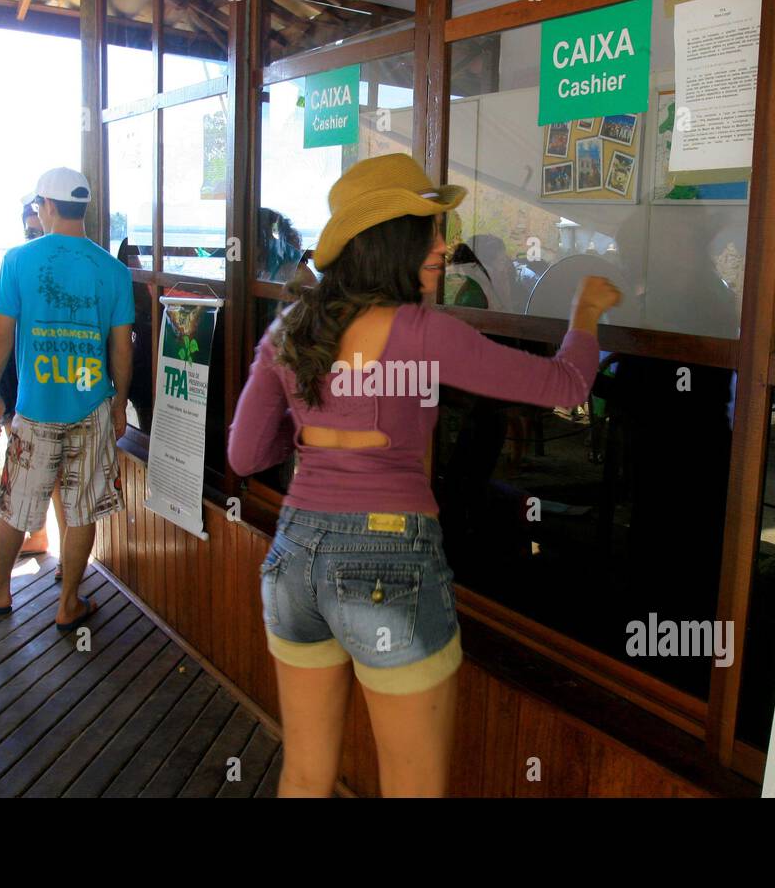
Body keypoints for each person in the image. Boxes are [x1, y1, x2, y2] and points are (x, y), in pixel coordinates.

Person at [227, 154, 619, 797]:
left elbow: (245, 456)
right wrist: (585, 314)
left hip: (294, 559)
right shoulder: (420, 331)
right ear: (390, 242)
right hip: (389, 563)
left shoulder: (289, 329)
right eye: (429, 232)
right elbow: (564, 384)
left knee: (303, 774)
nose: (444, 246)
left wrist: (314, 435)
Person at [0, 168, 133, 630]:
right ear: (84, 208)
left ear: (46, 207)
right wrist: (119, 404)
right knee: (84, 508)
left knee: (16, 502)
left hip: (34, 409)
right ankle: (69, 601)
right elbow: (121, 348)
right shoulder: (113, 270)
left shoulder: (19, 261)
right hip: (92, 405)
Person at [0, 202, 66, 574]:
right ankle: (40, 536)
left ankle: (56, 553)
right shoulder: (18, 265)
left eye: (39, 229)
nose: (36, 236)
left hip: (58, 383)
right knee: (30, 469)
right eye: (30, 231)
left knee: (53, 475)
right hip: (24, 381)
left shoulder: (66, 265)